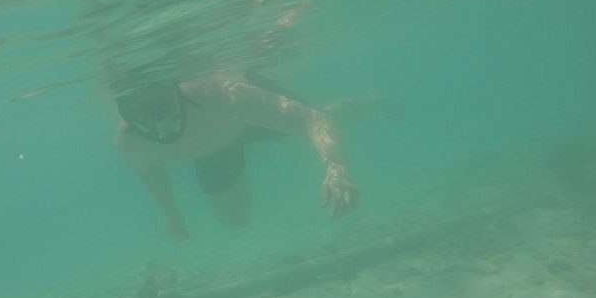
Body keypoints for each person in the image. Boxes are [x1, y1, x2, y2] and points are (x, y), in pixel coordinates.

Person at [114, 73, 392, 241]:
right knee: (235, 221)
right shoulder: (129, 142)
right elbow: (149, 174)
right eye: (143, 114)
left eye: (161, 105)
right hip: (213, 145)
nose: (160, 124)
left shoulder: (224, 95)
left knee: (322, 119)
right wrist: (173, 214)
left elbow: (311, 120)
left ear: (175, 90)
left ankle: (370, 103)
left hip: (238, 119)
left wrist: (336, 168)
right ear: (126, 113)